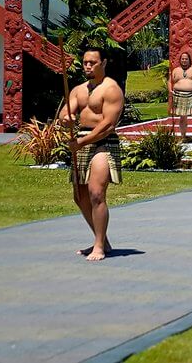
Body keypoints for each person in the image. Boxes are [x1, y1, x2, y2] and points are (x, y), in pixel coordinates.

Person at [59, 47, 124, 261]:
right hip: (81, 142)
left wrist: (82, 141)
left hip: (102, 142)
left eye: (93, 62)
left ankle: (99, 247)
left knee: (96, 193)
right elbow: (66, 111)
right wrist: (65, 118)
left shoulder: (111, 89)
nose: (88, 65)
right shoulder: (78, 90)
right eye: (85, 62)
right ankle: (101, 239)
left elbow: (108, 124)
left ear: (103, 63)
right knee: (80, 196)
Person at [169, 52, 192, 141]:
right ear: (180, 60)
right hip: (179, 96)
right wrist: (170, 90)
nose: (184, 61)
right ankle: (183, 137)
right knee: (182, 118)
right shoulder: (176, 70)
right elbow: (170, 81)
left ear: (189, 60)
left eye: (186, 59)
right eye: (183, 59)